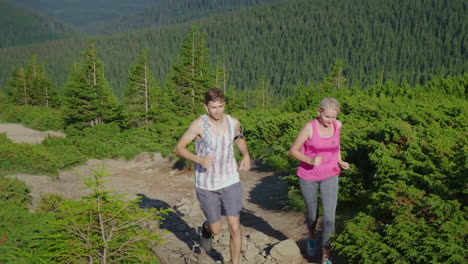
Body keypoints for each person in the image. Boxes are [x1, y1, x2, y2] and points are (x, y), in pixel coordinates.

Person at [174, 88, 251, 264]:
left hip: (231, 179)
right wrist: (199, 159)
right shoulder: (198, 125)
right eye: (213, 107)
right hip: (207, 184)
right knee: (216, 229)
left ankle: (235, 262)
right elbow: (179, 148)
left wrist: (246, 155)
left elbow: (239, 137)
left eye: (220, 106)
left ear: (224, 104)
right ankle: (206, 230)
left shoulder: (233, 122)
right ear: (205, 106)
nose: (217, 111)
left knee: (234, 226)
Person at [288, 97, 349, 264]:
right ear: (319, 112)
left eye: (334, 117)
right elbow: (293, 150)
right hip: (309, 177)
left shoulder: (338, 125)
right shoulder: (309, 128)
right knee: (312, 215)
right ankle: (311, 237)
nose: (330, 121)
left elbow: (336, 145)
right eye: (327, 117)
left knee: (329, 217)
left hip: (330, 174)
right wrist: (310, 161)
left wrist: (339, 160)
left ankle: (326, 255)